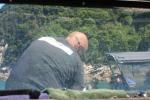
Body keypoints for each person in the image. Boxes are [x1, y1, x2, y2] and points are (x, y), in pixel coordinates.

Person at [5, 31, 88, 91]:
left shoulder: (42, 39)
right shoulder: (76, 60)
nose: (81, 54)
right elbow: (76, 94)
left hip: (9, 92)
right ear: (78, 45)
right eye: (82, 51)